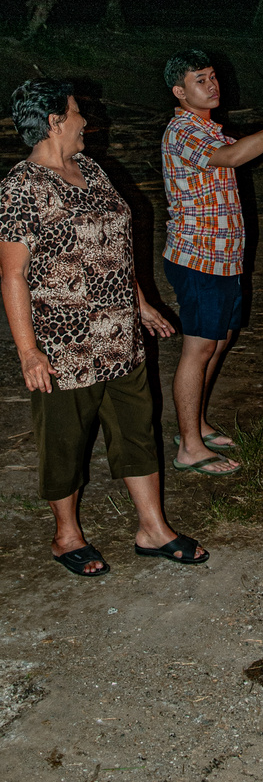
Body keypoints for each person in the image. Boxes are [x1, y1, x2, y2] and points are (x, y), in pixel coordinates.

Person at [0, 79, 208, 577]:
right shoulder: (21, 187)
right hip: (63, 345)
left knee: (137, 429)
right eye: (76, 114)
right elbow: (12, 274)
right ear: (53, 122)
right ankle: (65, 534)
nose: (84, 123)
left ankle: (152, 528)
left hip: (120, 337)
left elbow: (114, 247)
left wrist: (140, 304)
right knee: (66, 441)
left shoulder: (91, 170)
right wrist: (29, 353)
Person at [162, 49, 263, 474]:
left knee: (219, 341)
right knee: (198, 348)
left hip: (224, 260)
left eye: (213, 76)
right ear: (180, 92)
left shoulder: (209, 130)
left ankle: (192, 425)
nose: (212, 85)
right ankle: (189, 448)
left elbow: (243, 148)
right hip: (198, 259)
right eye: (201, 79)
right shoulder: (182, 131)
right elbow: (234, 158)